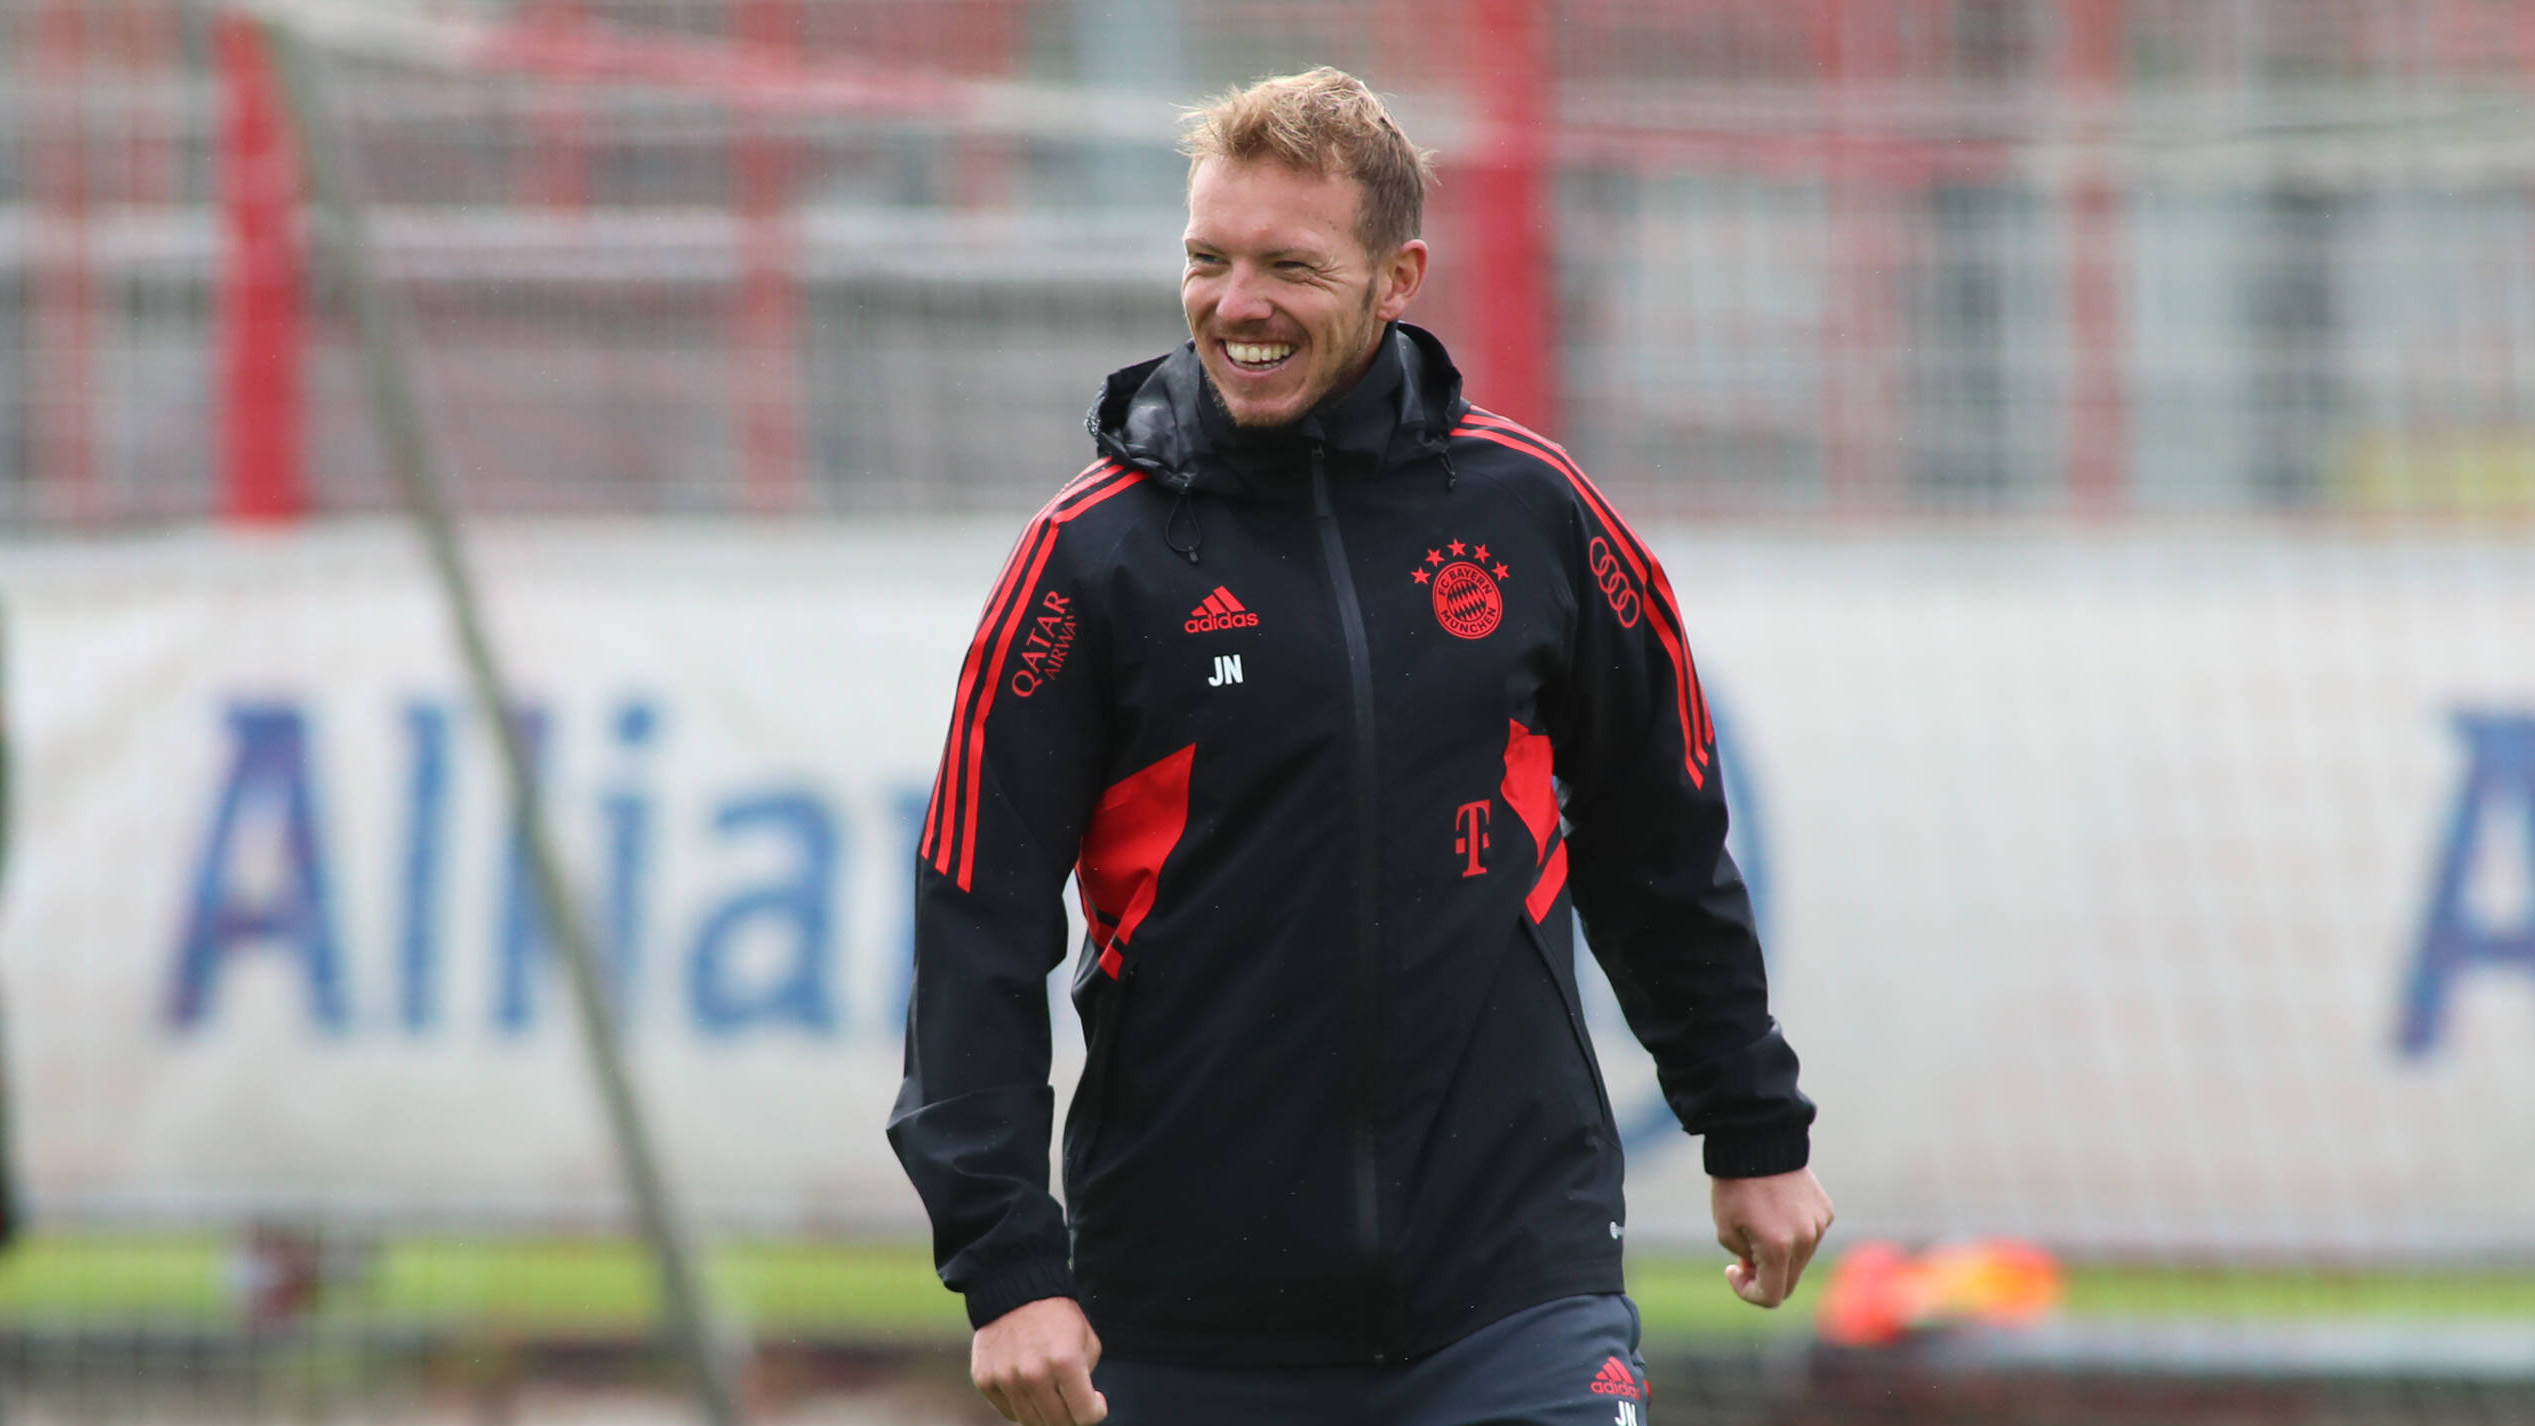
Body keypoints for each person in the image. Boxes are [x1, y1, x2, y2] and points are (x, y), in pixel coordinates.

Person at [888, 67, 1830, 1426]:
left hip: (1515, 1289)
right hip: (1182, 1312)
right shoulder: (1086, 561)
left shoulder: (1538, 516)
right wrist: (1006, 1263)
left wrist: (1753, 1127)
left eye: (1289, 264)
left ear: (1399, 277)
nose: (1236, 303)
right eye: (1208, 260)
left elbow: (1659, 839)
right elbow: (975, 916)